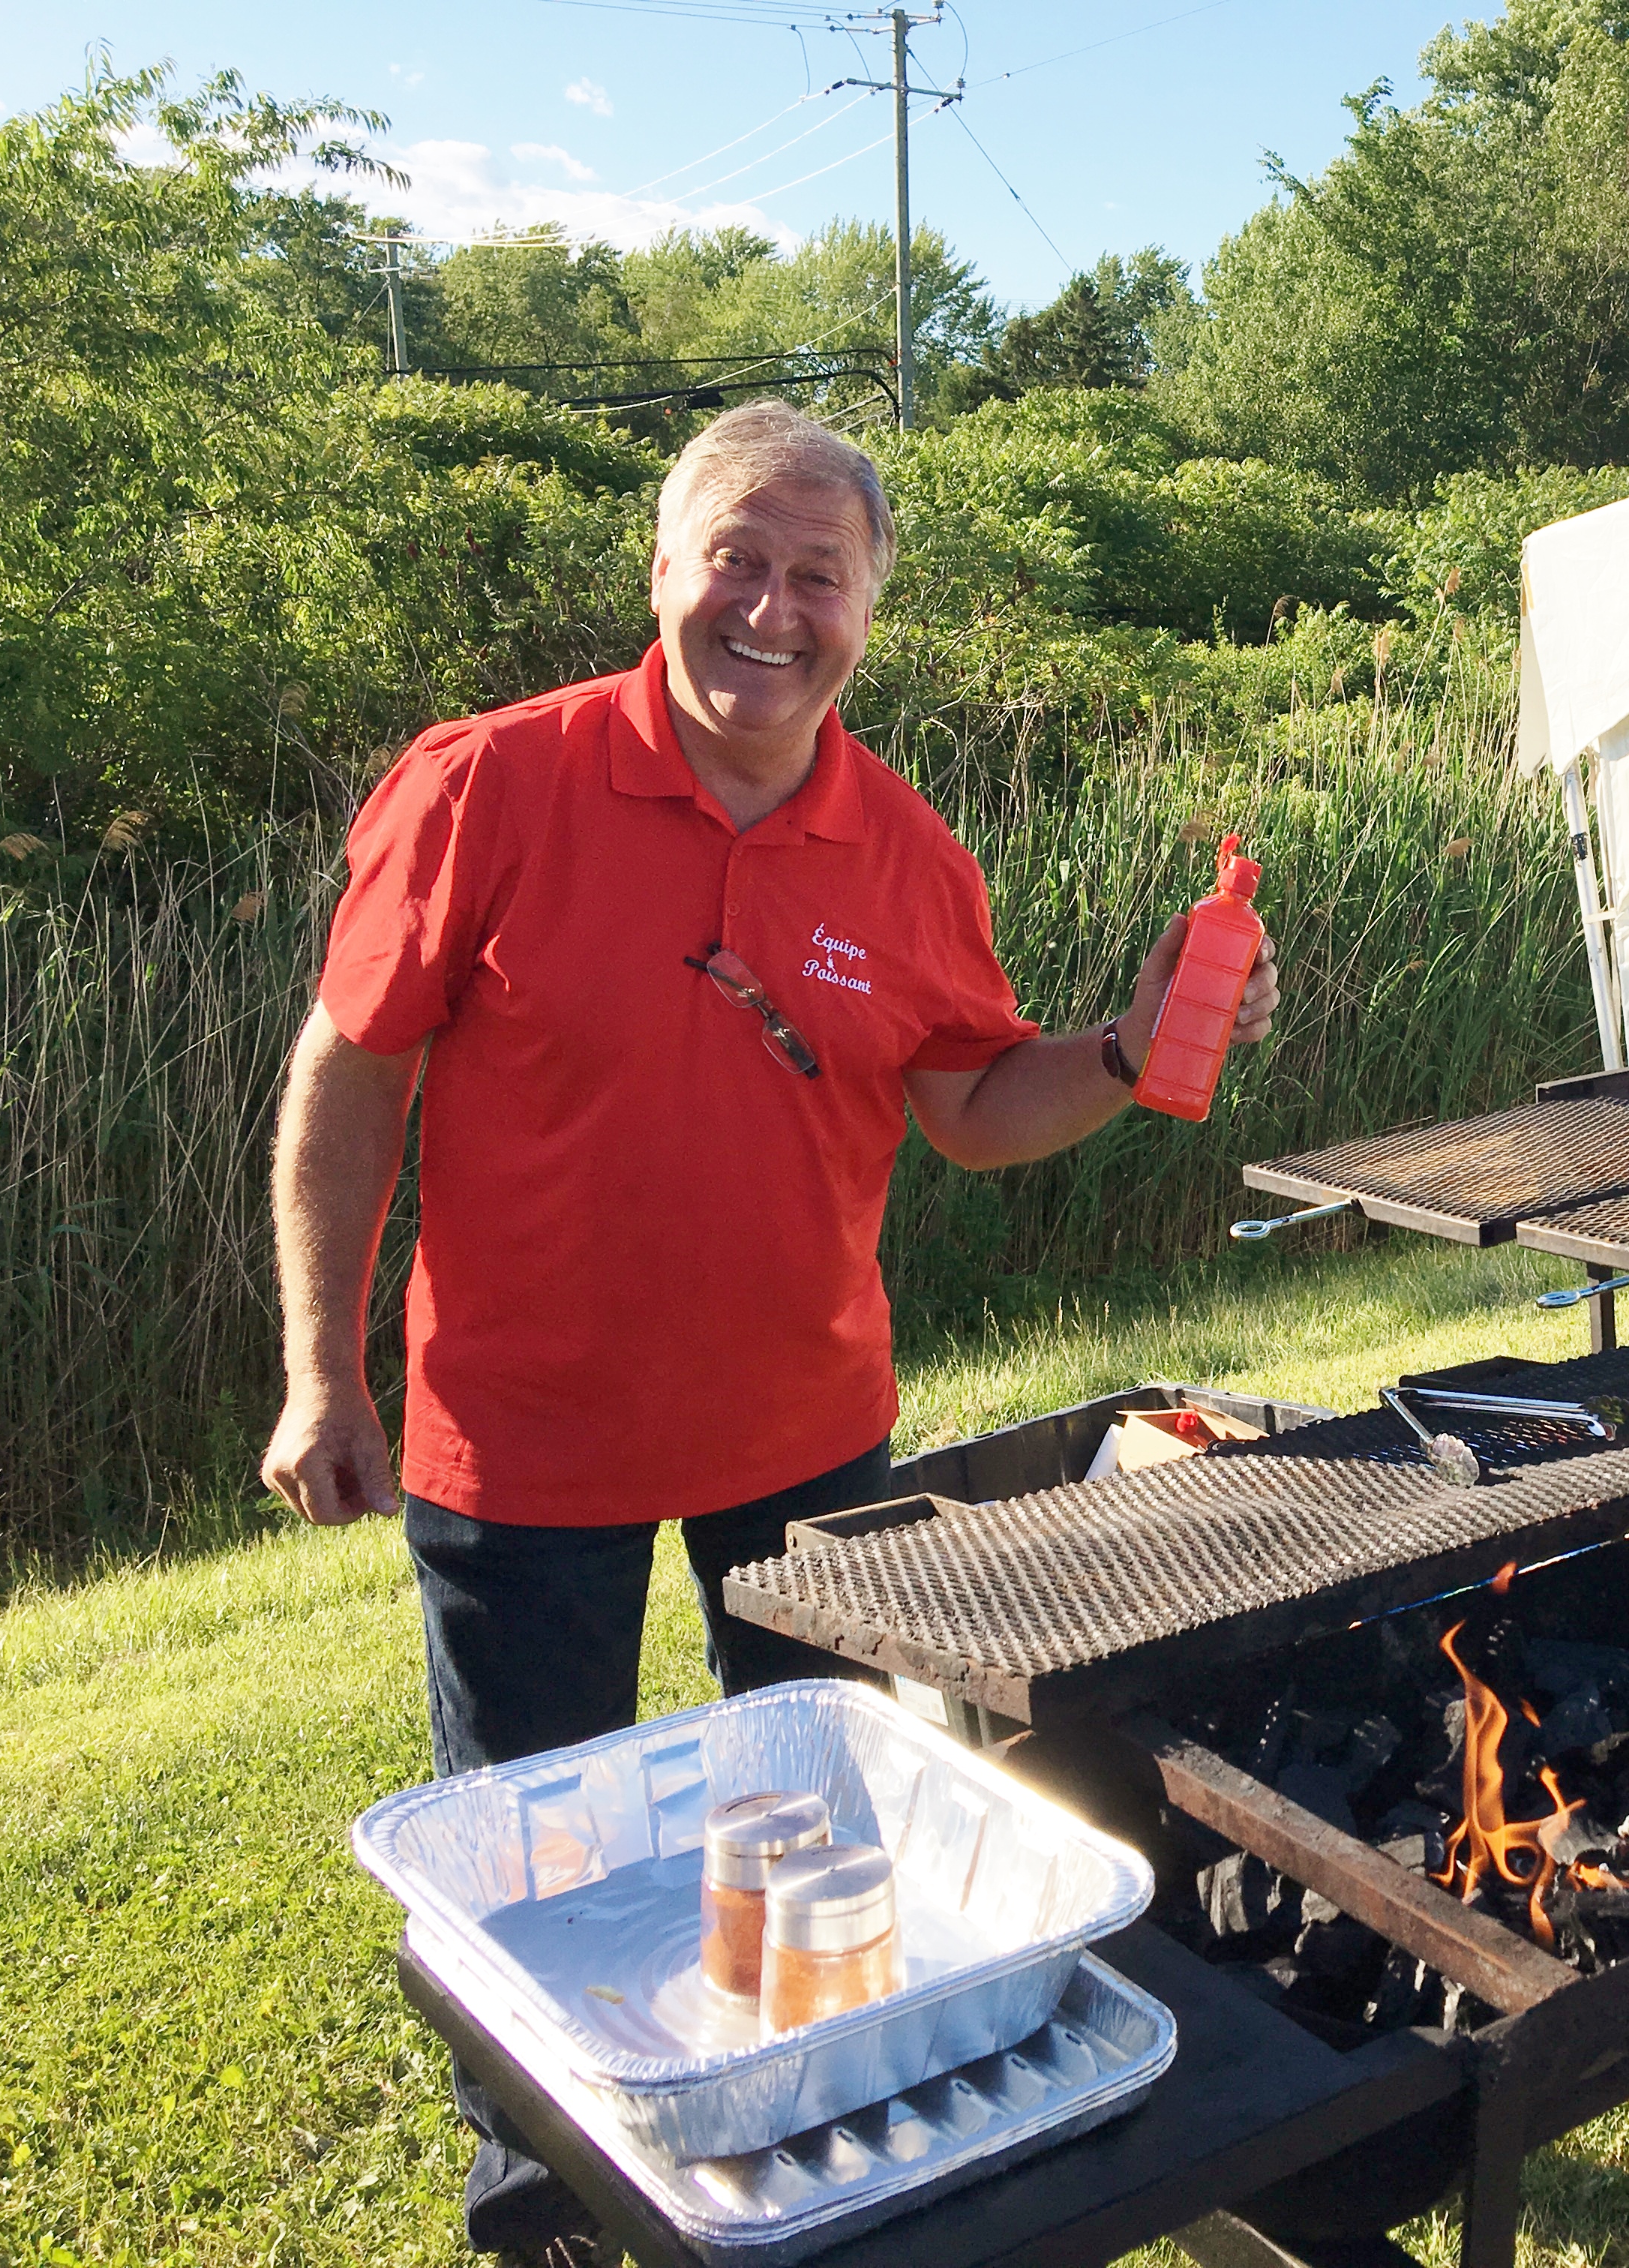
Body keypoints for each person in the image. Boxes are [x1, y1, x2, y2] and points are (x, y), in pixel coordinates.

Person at [258, 399, 1278, 2265]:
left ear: (871, 608)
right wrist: (328, 1367)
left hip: (805, 1430)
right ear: (662, 568)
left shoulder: (899, 849)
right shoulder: (493, 780)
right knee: (533, 1867)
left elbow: (973, 1103)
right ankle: (542, 2207)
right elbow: (351, 1070)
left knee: (811, 1837)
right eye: (738, 556)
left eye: (821, 574)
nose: (773, 606)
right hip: (518, 1433)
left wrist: (1129, 1055)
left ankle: (813, 2130)